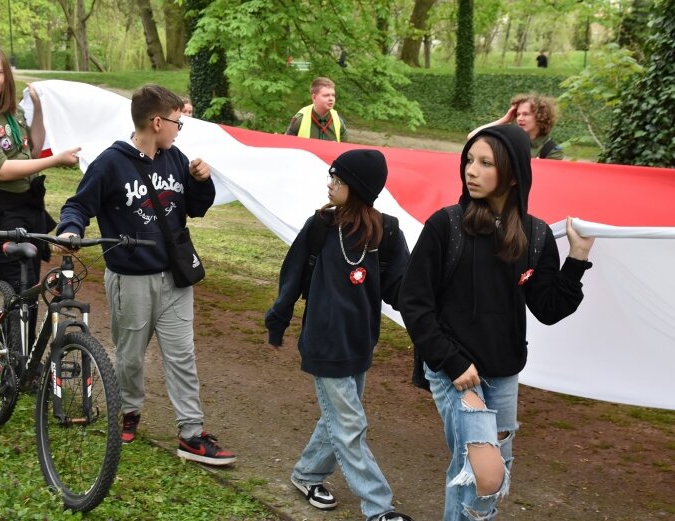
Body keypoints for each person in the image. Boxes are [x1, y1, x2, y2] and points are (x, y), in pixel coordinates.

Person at [399, 124, 595, 521]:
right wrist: (451, 362)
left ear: (511, 173)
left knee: (481, 472)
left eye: (485, 163)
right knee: (485, 474)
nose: (471, 170)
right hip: (452, 368)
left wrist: (577, 259)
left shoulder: (536, 235)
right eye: (469, 161)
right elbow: (413, 301)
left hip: (504, 371)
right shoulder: (446, 226)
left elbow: (549, 308)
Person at [56, 84, 236, 466]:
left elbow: (196, 209)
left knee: (182, 356)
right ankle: (129, 410)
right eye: (177, 122)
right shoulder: (110, 162)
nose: (179, 130)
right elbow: (78, 204)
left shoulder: (175, 158)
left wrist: (202, 182)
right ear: (157, 122)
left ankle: (191, 432)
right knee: (130, 358)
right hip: (130, 280)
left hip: (174, 278)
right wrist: (70, 229)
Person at [265, 149, 413, 521]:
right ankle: (379, 507)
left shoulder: (388, 232)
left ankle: (306, 473)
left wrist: (429, 319)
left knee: (337, 416)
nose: (330, 185)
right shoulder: (319, 227)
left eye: (339, 179)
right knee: (350, 424)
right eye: (331, 177)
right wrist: (278, 321)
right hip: (324, 341)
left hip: (361, 341)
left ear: (360, 188)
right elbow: (292, 277)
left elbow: (402, 291)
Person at [0, 41, 81, 292]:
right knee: (20, 285)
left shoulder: (11, 110)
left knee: (31, 283)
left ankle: (21, 332)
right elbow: (0, 170)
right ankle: (12, 331)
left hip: (26, 205)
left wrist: (39, 108)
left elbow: (32, 151)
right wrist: (56, 160)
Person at [467, 93, 564, 160]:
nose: (520, 118)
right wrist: (504, 120)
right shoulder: (509, 139)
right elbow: (472, 137)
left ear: (540, 116)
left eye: (525, 114)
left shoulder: (552, 150)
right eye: (518, 114)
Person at [285, 77, 347, 142]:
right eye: (326, 95)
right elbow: (287, 145)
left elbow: (345, 148)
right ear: (314, 97)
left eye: (333, 95)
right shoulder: (300, 119)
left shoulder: (338, 120)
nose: (331, 99)